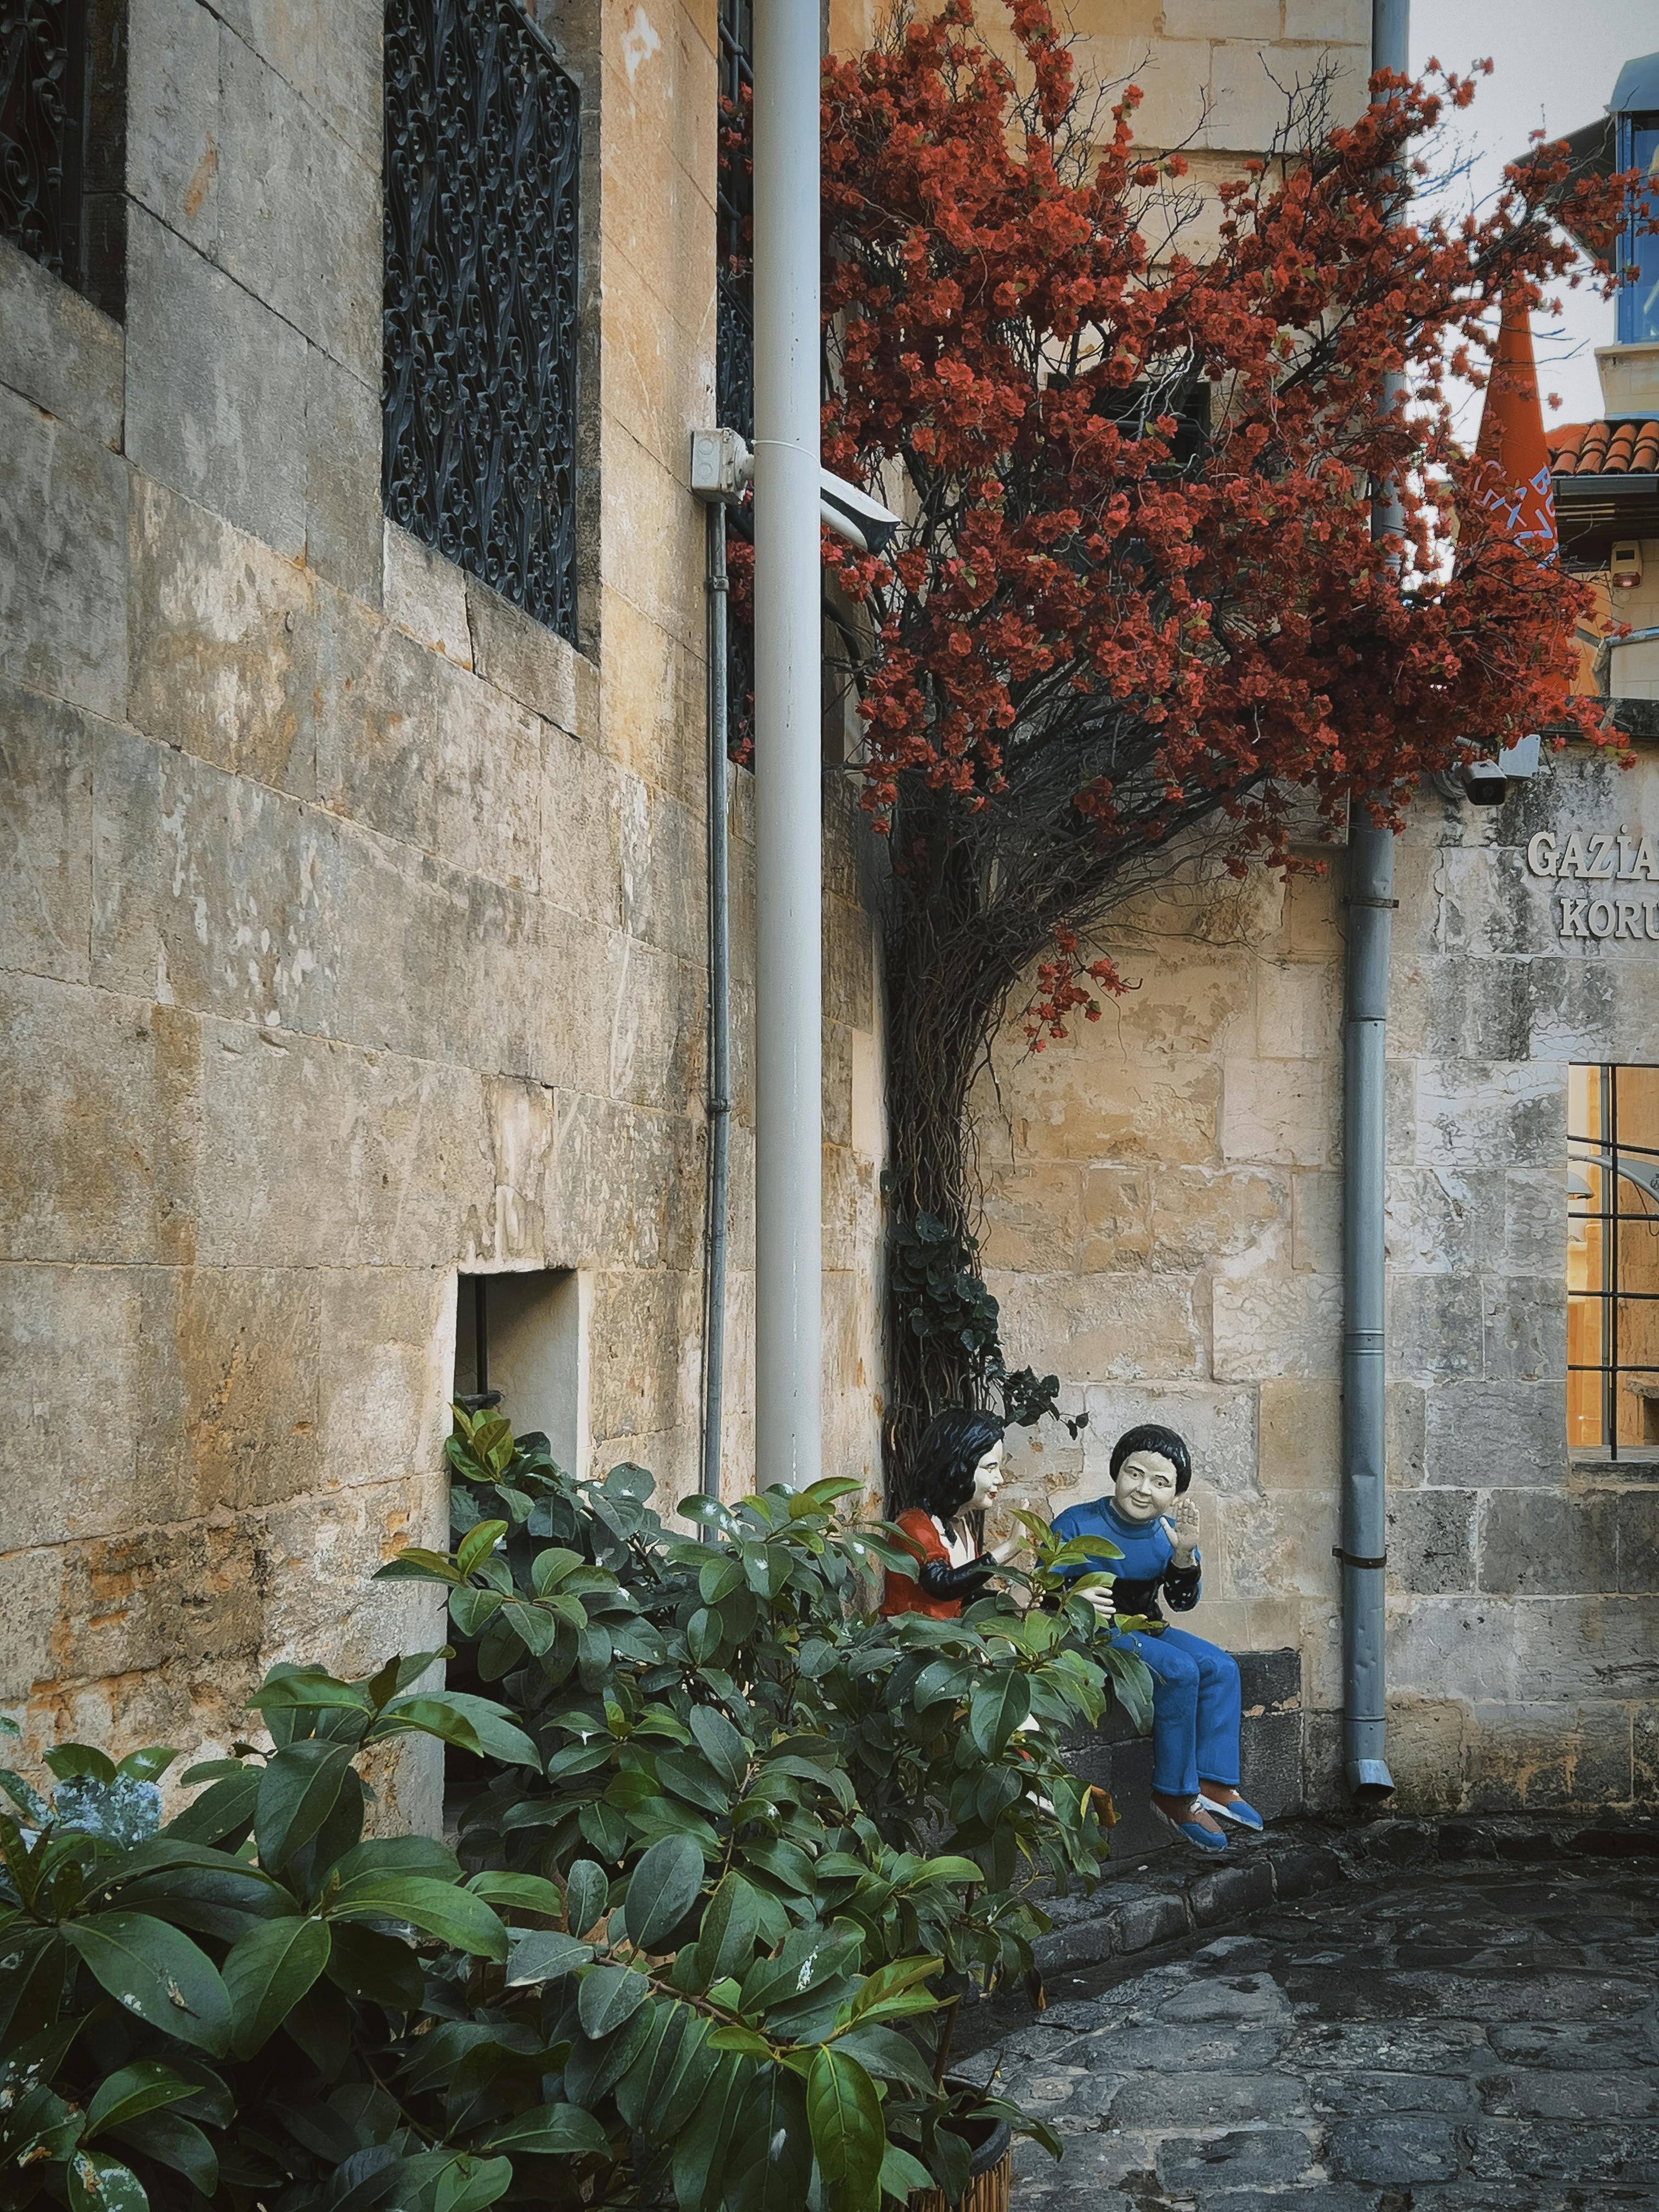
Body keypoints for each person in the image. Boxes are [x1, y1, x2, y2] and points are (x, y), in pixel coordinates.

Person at [1050, 1422, 1260, 1853]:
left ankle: (1213, 1781)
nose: (1144, 1490)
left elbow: (1182, 1603)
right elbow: (1042, 1588)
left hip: (1147, 1625)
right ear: (1117, 1471)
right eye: (1135, 1474)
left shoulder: (1169, 1534)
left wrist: (1184, 1556)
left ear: (1176, 1493)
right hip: (1098, 1633)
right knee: (1178, 1671)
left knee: (1221, 1667)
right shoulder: (1076, 1523)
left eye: (1161, 1482)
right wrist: (1071, 1595)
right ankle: (1174, 1793)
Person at [882, 1407, 1020, 1620]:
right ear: (957, 1467)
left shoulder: (960, 1528)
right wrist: (1008, 1549)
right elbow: (942, 1586)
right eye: (990, 1468)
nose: (1000, 1479)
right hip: (914, 1637)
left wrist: (1011, 1601)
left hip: (951, 1638)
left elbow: (964, 1596)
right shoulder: (915, 1526)